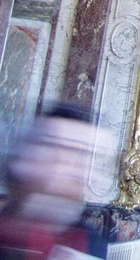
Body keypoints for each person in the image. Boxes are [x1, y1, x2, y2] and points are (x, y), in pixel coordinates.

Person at [0, 104, 111, 259]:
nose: (75, 172)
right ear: (21, 160)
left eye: (83, 155)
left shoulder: (89, 240)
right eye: (57, 148)